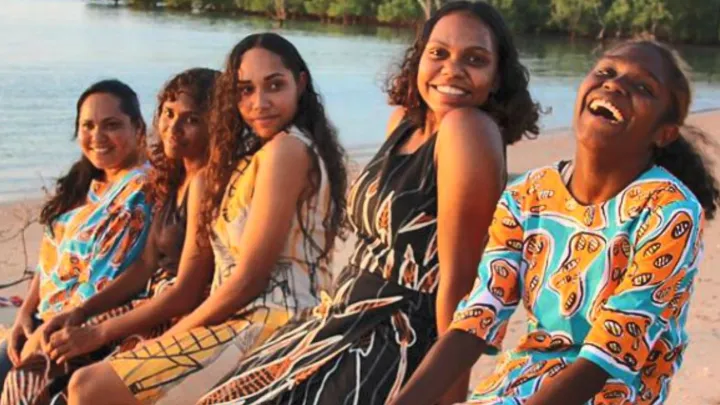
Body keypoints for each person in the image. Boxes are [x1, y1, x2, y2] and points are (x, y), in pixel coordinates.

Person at [197, 2, 540, 404]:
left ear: (497, 78)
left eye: (475, 59)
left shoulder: (467, 129)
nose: (452, 70)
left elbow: (459, 281)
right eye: (439, 53)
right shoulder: (404, 123)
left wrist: (449, 393)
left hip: (393, 338)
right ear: (418, 59)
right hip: (338, 320)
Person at [391, 39, 720, 405]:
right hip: (521, 383)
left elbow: (611, 354)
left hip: (613, 393)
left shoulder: (668, 209)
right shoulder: (527, 194)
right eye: (606, 72)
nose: (614, 85)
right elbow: (476, 318)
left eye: (643, 87)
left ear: (664, 133)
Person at [67, 32, 348, 405]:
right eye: (245, 90)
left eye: (274, 86)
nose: (259, 103)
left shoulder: (288, 149)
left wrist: (173, 337)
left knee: (90, 388)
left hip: (272, 322)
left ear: (300, 83)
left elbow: (249, 279)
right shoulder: (257, 157)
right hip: (242, 318)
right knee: (88, 381)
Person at [0, 68, 220, 404]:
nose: (97, 135)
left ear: (138, 129)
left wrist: (73, 322)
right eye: (87, 125)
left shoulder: (146, 187)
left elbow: (167, 282)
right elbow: (56, 257)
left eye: (112, 124)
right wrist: (26, 314)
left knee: (29, 379)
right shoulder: (90, 187)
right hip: (56, 314)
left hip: (131, 311)